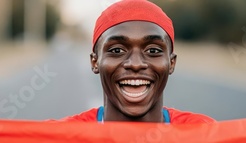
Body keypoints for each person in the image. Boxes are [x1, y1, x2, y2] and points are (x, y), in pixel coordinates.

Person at [56, 0, 215, 123]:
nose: (136, 64)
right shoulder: (63, 136)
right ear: (95, 62)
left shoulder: (204, 133)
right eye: (117, 50)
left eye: (153, 51)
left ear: (171, 63)